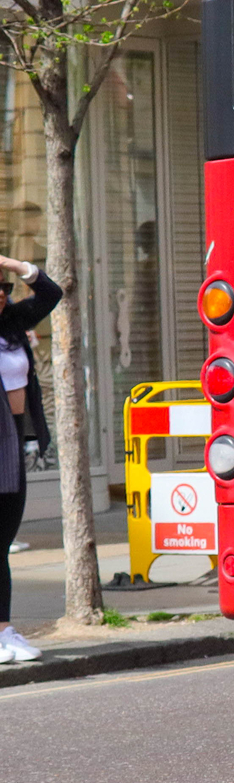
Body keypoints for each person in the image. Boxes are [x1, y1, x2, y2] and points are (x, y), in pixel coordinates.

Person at [0, 254, 64, 662]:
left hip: (12, 449)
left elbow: (51, 293)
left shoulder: (12, 326)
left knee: (1, 544)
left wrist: (13, 263)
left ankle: (5, 632)